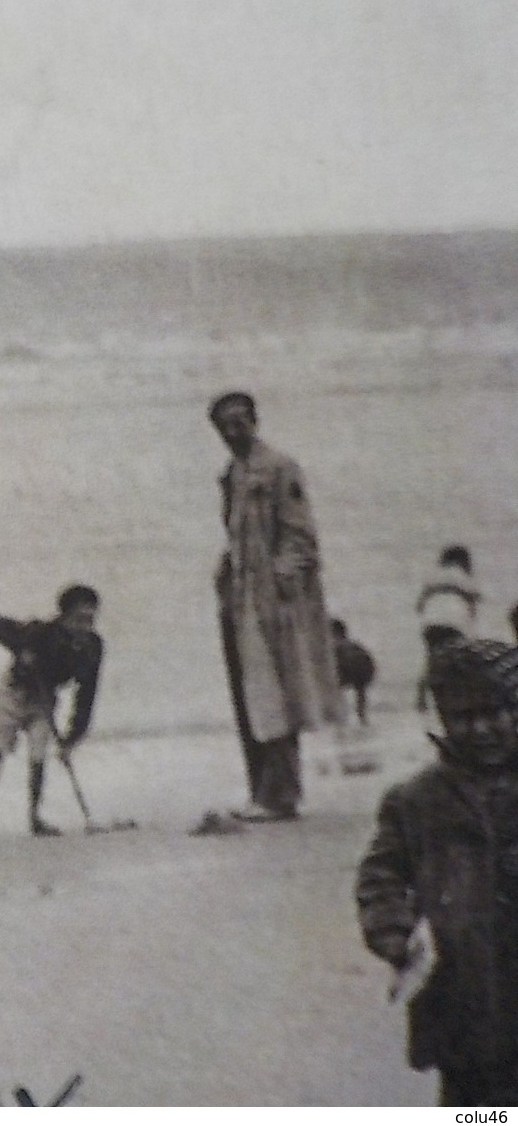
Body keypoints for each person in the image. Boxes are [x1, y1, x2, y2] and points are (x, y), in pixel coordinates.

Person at [356, 638, 518, 1106]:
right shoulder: (416, 801)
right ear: (443, 721)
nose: (481, 728)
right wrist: (398, 937)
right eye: (463, 717)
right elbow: (379, 878)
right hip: (464, 1001)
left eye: (495, 713)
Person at [210, 391, 341, 823]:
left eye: (240, 422)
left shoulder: (281, 468)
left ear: (255, 420)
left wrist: (283, 588)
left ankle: (280, 794)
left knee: (277, 693)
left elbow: (301, 538)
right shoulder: (231, 473)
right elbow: (236, 537)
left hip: (275, 603)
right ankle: (261, 790)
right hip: (240, 598)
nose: (233, 432)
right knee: (252, 695)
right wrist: (226, 572)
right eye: (224, 425)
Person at [0, 586, 104, 839]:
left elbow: (87, 696)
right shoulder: (39, 632)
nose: (85, 627)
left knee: (39, 758)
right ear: (64, 616)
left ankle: (35, 819)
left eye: (91, 620)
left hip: (43, 701)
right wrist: (22, 650)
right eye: (79, 619)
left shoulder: (93, 647)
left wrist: (71, 739)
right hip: (11, 695)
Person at [415, 545, 482, 713]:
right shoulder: (465, 577)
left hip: (431, 623)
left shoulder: (433, 576)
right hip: (455, 622)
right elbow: (473, 606)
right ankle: (457, 700)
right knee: (457, 660)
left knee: (432, 659)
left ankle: (422, 700)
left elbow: (419, 605)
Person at [330, 619, 377, 727]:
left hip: (348, 669)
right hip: (364, 670)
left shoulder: (334, 646)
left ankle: (340, 719)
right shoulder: (355, 645)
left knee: (336, 690)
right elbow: (368, 660)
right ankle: (362, 717)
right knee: (360, 692)